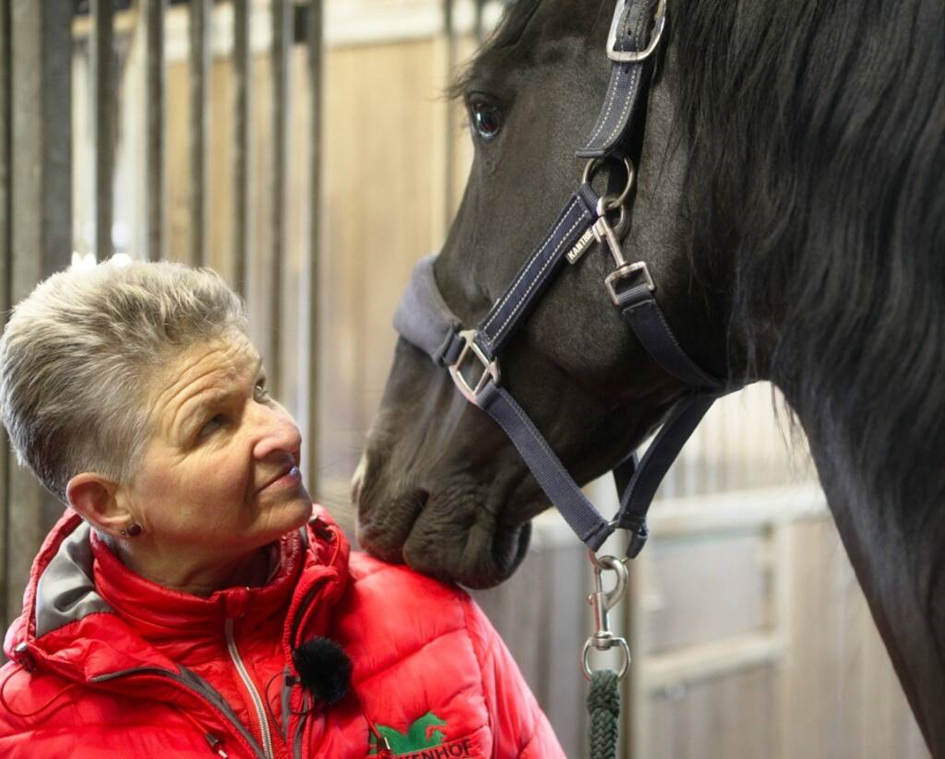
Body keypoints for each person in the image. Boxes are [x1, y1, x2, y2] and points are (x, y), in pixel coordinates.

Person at [0, 260, 565, 759]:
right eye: (212, 423)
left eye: (261, 391)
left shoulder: (439, 624)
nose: (284, 431)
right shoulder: (24, 730)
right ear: (108, 503)